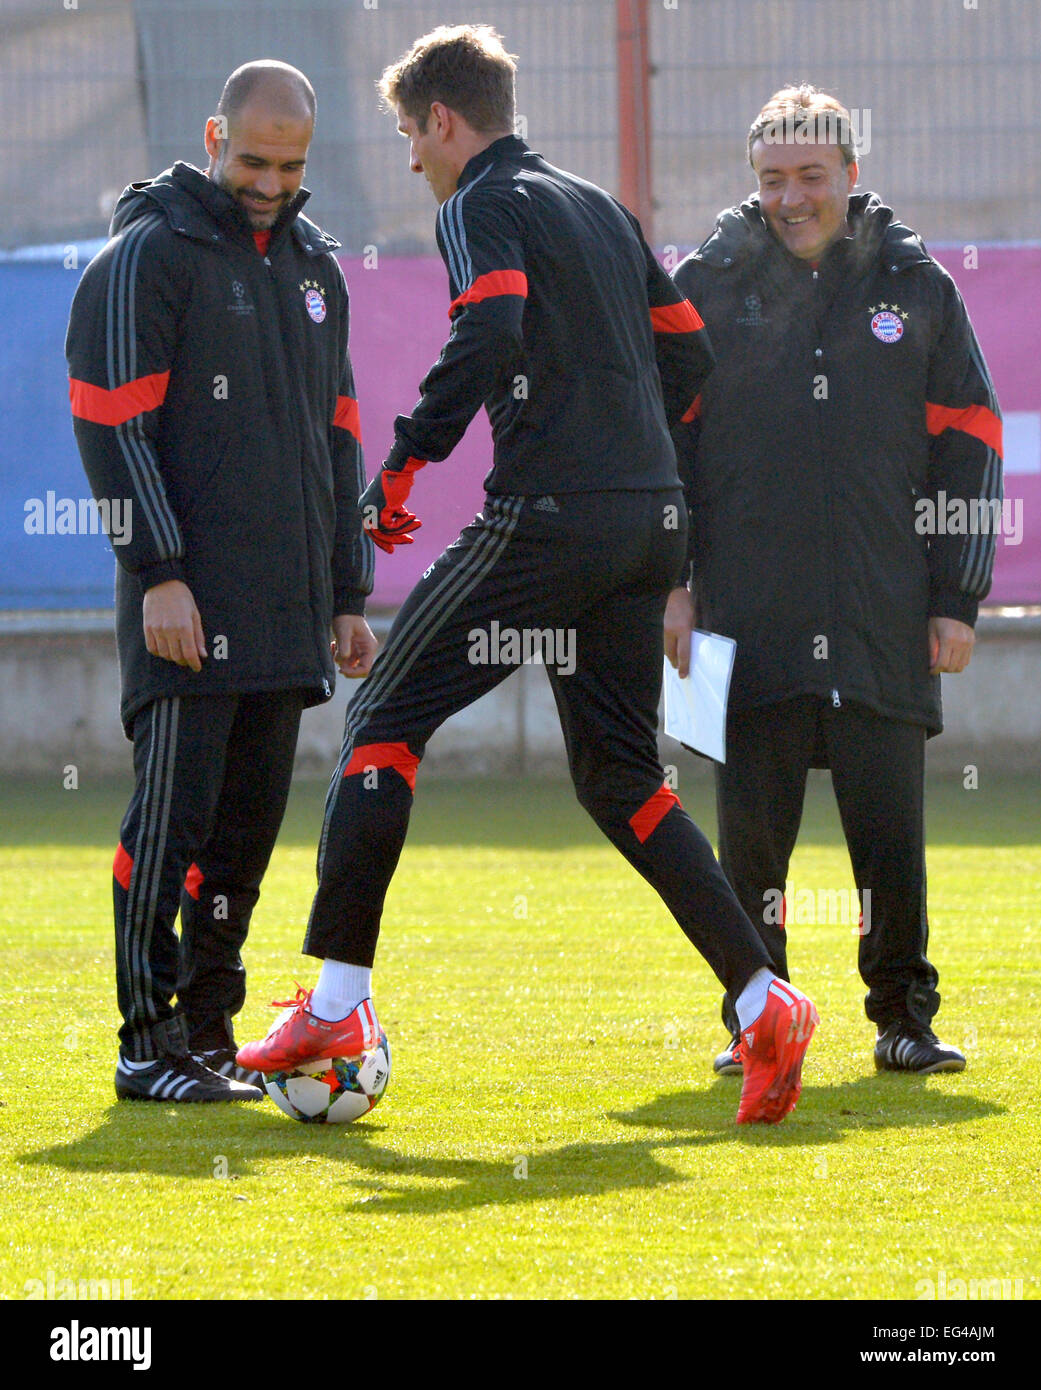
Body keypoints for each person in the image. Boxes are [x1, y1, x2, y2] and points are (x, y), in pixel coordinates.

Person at [238, 25, 818, 1126]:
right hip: (649, 520)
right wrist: (635, 456)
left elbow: (490, 330)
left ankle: (336, 1004)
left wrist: (405, 458)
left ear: (445, 122)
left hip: (550, 517)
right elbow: (689, 353)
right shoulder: (598, 206)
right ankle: (761, 998)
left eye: (412, 135)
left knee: (381, 727)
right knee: (621, 779)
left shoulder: (478, 206)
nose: (412, 159)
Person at [664, 85, 1002, 1078]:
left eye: (811, 176)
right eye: (772, 179)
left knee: (888, 838)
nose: (791, 197)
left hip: (881, 607)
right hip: (735, 612)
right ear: (753, 181)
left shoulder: (917, 283)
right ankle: (754, 1017)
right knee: (747, 848)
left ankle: (903, 1017)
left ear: (850, 175)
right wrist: (669, 586)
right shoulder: (703, 284)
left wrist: (956, 597)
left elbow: (971, 443)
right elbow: (661, 449)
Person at [66, 60, 377, 1102]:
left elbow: (335, 438)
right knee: (170, 823)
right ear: (212, 136)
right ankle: (143, 1042)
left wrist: (346, 589)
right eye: (251, 159)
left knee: (240, 843)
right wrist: (157, 572)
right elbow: (111, 430)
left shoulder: (313, 271)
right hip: (186, 607)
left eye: (288, 166)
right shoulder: (144, 257)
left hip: (285, 612)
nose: (269, 182)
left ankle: (208, 1033)